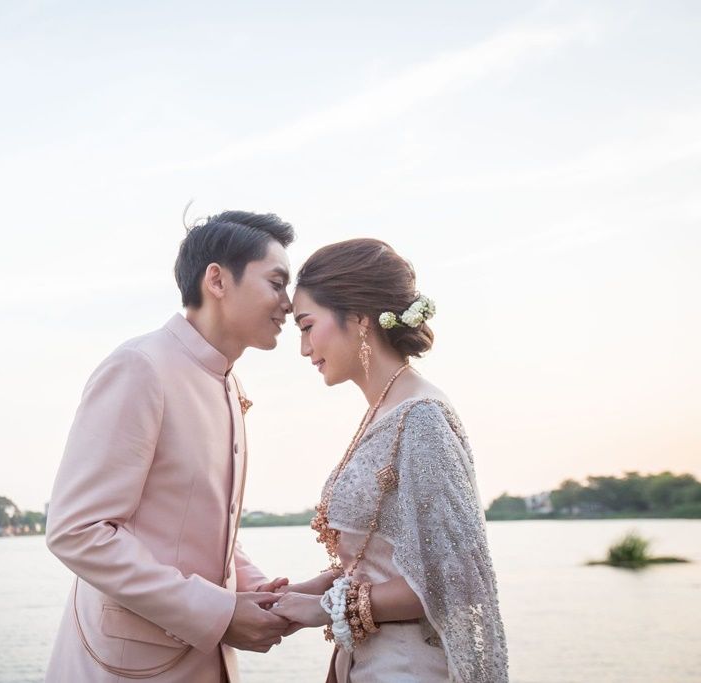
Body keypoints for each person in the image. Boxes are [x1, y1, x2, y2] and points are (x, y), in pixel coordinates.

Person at [44, 211, 298, 682]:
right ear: (217, 281)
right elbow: (76, 529)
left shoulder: (226, 382)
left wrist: (263, 591)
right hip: (128, 668)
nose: (290, 303)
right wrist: (219, 613)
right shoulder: (141, 367)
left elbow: (202, 530)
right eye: (277, 283)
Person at [270, 238, 508, 682]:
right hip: (370, 663)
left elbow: (452, 579)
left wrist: (325, 607)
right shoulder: (384, 410)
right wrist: (315, 587)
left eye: (307, 325)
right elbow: (387, 559)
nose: (303, 348)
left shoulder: (421, 417)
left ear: (359, 318)